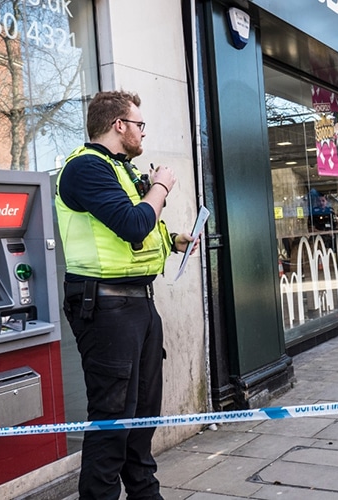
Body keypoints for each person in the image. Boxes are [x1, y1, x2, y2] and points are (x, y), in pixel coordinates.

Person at [55, 90, 196, 500]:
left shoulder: (117, 169)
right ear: (119, 125)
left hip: (136, 304)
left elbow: (137, 232)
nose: (142, 134)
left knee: (141, 417)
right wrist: (161, 188)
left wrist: (172, 240)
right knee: (113, 420)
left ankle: (145, 495)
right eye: (139, 125)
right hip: (105, 307)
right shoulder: (86, 168)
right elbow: (133, 224)